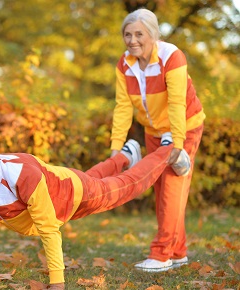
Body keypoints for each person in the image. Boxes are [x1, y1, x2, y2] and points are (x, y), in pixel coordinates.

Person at [0, 131, 189, 289]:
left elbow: (48, 229)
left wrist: (57, 283)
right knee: (97, 177)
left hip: (77, 194)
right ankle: (124, 156)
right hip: (60, 186)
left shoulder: (21, 175)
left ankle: (169, 150)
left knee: (128, 185)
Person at [109, 8, 205, 272]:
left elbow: (176, 103)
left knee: (173, 189)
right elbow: (122, 107)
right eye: (127, 34)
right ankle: (178, 251)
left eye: (139, 34)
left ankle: (161, 254)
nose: (132, 40)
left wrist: (176, 144)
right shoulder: (124, 64)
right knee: (162, 191)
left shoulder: (172, 57)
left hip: (184, 127)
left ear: (152, 34)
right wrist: (116, 148)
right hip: (154, 132)